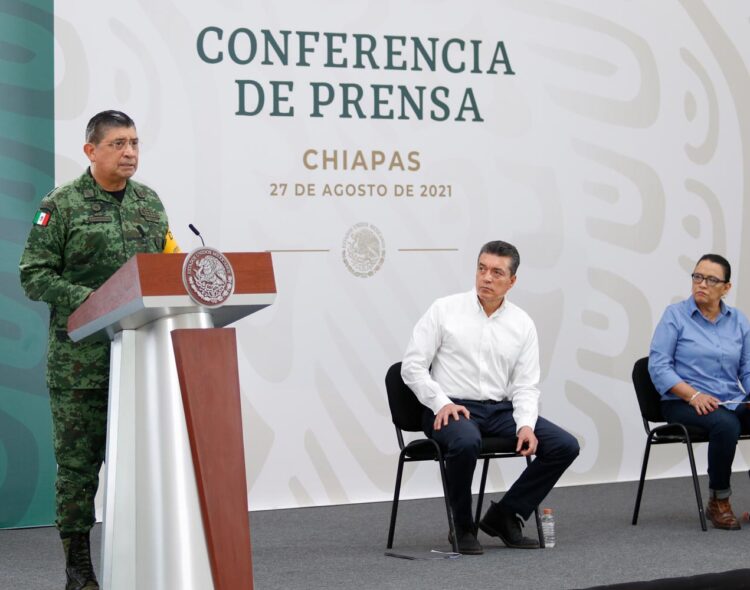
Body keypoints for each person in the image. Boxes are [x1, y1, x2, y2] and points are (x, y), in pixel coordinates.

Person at [19, 110, 179, 590]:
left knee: (140, 468)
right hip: (81, 366)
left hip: (142, 361)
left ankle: (144, 560)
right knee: (77, 473)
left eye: (134, 143)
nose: (129, 152)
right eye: (118, 144)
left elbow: (165, 267)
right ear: (91, 150)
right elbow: (34, 274)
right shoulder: (61, 205)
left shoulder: (150, 203)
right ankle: (79, 568)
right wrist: (91, 302)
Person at [401, 240, 580, 555]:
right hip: (449, 408)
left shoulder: (522, 323)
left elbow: (525, 384)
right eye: (482, 268)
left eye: (497, 272)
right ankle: (461, 525)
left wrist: (525, 424)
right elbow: (412, 367)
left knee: (564, 445)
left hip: (499, 411)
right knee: (466, 441)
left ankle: (506, 514)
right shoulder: (445, 309)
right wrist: (440, 402)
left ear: (512, 281)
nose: (486, 277)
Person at [649, 253, 750, 530]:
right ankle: (718, 501)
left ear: (726, 287)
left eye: (710, 279)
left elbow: (748, 369)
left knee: (729, 416)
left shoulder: (739, 321)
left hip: (728, 399)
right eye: (697, 277)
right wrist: (693, 395)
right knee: (726, 424)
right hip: (681, 401)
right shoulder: (675, 316)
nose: (701, 284)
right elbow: (659, 366)